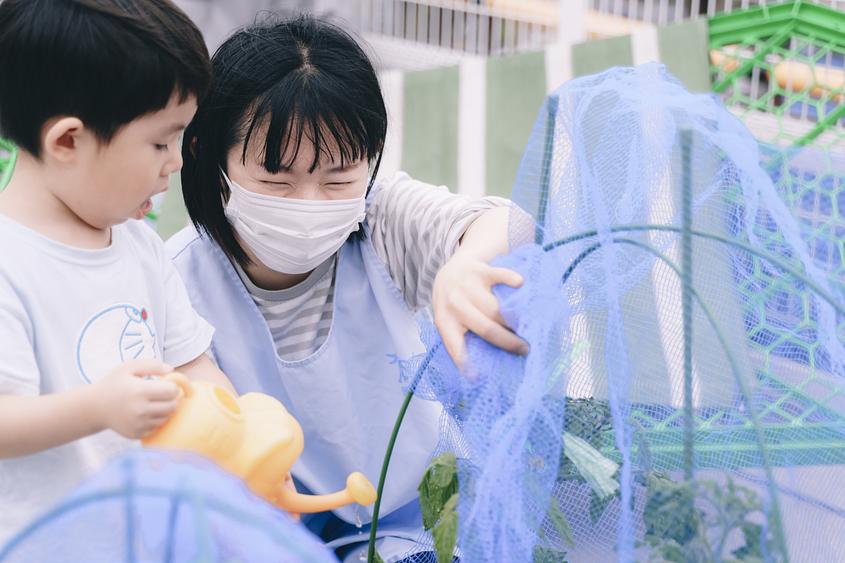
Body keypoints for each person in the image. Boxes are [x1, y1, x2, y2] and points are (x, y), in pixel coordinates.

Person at [168, 14, 526, 561]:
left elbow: (508, 223)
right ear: (208, 157)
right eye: (276, 181)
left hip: (405, 529)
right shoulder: (173, 281)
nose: (311, 204)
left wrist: (466, 264)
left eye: (337, 179)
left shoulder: (382, 221)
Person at [0, 0, 235, 545]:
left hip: (143, 534)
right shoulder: (10, 262)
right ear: (68, 141)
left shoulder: (138, 246)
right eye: (159, 141)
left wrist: (233, 429)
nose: (175, 162)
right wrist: (98, 409)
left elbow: (192, 363)